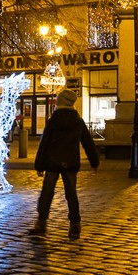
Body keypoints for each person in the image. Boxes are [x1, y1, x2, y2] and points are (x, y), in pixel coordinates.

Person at [29, 88, 100, 239]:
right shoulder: (78, 121)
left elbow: (44, 144)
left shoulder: (53, 121)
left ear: (59, 102)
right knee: (71, 194)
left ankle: (41, 224)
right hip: (70, 162)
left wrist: (39, 165)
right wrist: (94, 161)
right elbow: (88, 142)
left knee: (47, 193)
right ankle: (75, 225)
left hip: (52, 162)